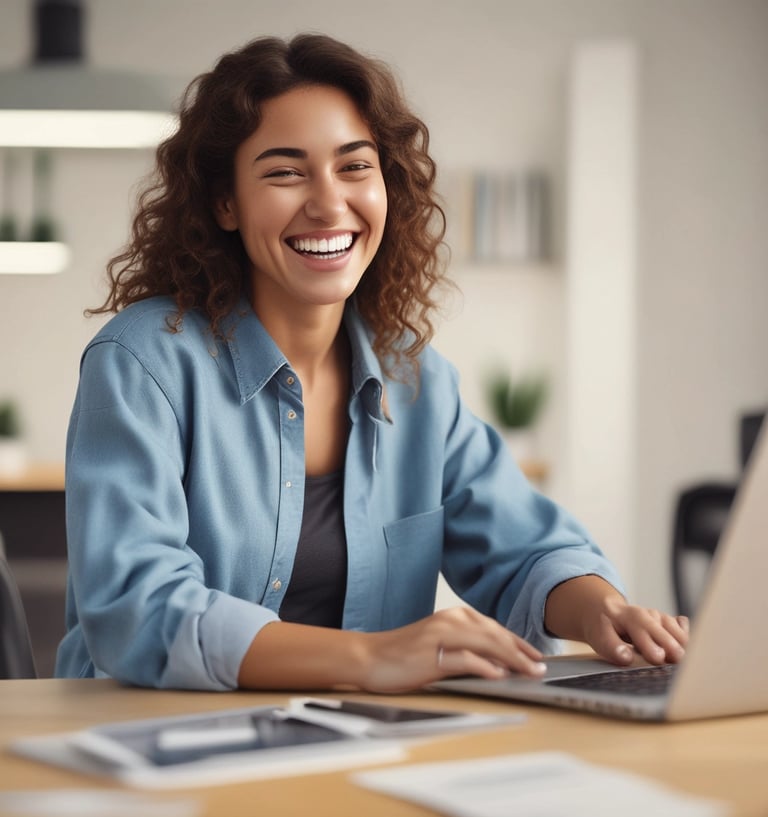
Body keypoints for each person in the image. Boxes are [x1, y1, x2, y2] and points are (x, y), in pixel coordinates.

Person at [55, 33, 688, 692]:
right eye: (285, 171)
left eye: (355, 166)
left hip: (359, 743)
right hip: (147, 745)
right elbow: (137, 605)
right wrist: (372, 657)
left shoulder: (416, 382)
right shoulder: (141, 361)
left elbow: (527, 548)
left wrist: (604, 610)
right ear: (225, 203)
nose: (330, 203)